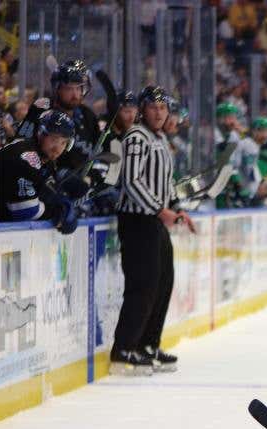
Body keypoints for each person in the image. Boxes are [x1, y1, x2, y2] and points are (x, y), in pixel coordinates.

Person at [111, 86, 196, 376]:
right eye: (153, 107)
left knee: (162, 282)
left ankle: (147, 344)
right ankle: (124, 349)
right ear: (143, 110)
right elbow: (132, 182)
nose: (159, 113)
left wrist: (176, 207)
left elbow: (165, 183)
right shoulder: (137, 137)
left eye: (163, 108)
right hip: (137, 221)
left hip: (156, 221)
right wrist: (161, 210)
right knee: (143, 285)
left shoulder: (160, 138)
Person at [0, 109, 80, 234]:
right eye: (54, 139)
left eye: (63, 142)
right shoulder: (27, 157)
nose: (58, 148)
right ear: (41, 133)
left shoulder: (45, 160)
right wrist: (56, 212)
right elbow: (25, 211)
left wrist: (60, 201)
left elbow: (44, 192)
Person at [14, 60, 100, 174]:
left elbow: (98, 151)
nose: (75, 95)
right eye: (69, 88)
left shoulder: (88, 115)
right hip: (44, 179)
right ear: (57, 89)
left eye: (79, 88)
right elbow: (20, 143)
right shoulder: (42, 108)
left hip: (81, 182)